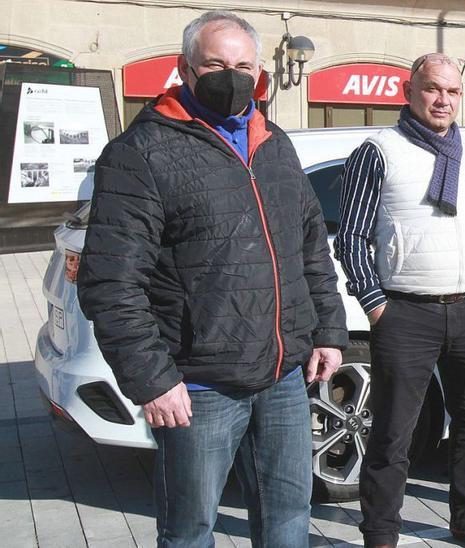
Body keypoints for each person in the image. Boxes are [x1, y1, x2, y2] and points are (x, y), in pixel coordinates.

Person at [76, 11, 348, 547]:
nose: (233, 76)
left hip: (282, 378)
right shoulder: (141, 153)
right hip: (198, 387)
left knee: (289, 519)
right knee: (189, 531)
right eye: (217, 64)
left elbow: (310, 246)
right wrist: (152, 379)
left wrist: (329, 331)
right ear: (185, 69)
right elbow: (111, 283)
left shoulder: (275, 144)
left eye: (244, 65)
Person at [335, 51, 465, 548]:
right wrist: (375, 304)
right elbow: (351, 236)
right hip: (405, 312)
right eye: (433, 88)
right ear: (409, 92)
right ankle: (381, 533)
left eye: (453, 91)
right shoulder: (379, 149)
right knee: (394, 432)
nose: (443, 99)